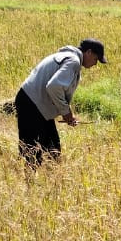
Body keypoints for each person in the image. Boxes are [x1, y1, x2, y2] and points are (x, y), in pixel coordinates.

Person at [15, 38, 107, 166]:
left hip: (34, 102)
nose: (95, 63)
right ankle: (28, 177)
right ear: (89, 52)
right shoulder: (73, 61)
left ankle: (52, 176)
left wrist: (67, 112)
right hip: (32, 104)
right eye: (96, 59)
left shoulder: (67, 56)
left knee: (53, 148)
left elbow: (55, 88)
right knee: (32, 151)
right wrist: (65, 112)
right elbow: (54, 86)